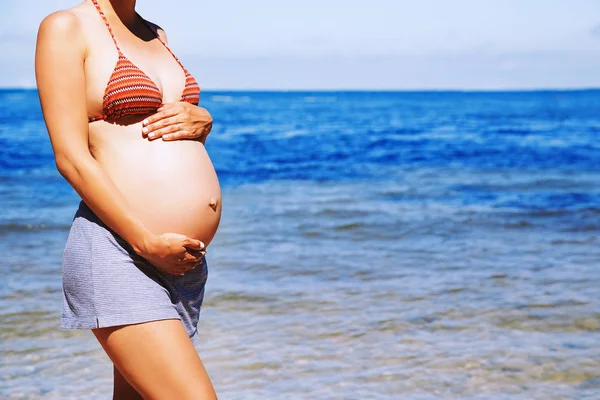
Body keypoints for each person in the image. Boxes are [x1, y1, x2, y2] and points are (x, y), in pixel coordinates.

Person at [35, 0, 221, 398]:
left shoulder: (155, 32)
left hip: (179, 263)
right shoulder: (66, 27)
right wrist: (144, 242)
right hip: (119, 250)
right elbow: (70, 157)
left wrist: (203, 119)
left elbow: (162, 128)